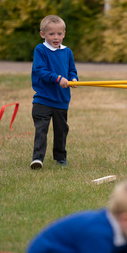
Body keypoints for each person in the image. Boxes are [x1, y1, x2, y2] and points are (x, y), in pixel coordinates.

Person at [30, 15, 78, 170]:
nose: (56, 37)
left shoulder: (67, 52)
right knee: (41, 129)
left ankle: (60, 158)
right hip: (43, 99)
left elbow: (72, 70)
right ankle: (37, 159)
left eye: (59, 34)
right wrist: (58, 78)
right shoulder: (41, 50)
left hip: (61, 100)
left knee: (61, 131)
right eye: (51, 34)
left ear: (64, 33)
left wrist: (73, 79)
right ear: (43, 34)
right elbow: (40, 70)